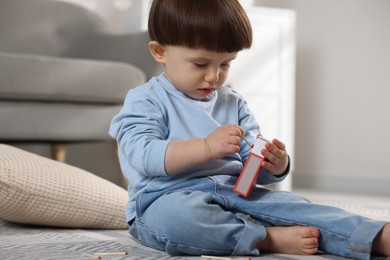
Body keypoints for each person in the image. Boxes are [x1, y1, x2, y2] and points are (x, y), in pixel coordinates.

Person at [109, 0, 390, 258]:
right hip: (165, 198)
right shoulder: (145, 98)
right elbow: (142, 155)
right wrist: (206, 148)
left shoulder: (233, 102)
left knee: (296, 207)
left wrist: (275, 165)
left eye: (226, 64)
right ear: (160, 51)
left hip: (237, 193)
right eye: (200, 64)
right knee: (179, 221)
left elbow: (254, 170)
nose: (214, 76)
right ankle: (265, 238)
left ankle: (375, 236)